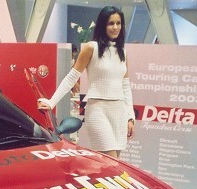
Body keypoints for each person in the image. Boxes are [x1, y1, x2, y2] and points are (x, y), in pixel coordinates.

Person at [38, 6, 135, 158]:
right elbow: (72, 77)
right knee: (111, 160)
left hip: (119, 111)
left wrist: (130, 116)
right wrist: (52, 102)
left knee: (113, 164)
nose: (115, 27)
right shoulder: (91, 48)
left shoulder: (123, 51)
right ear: (103, 25)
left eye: (118, 23)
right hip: (98, 109)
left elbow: (125, 86)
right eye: (111, 23)